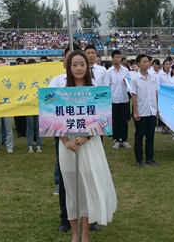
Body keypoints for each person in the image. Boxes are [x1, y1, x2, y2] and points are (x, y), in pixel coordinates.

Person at [58, 49, 117, 241]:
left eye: (82, 64)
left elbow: (103, 119)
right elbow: (52, 121)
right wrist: (66, 141)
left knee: (88, 189)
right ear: (68, 66)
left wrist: (88, 136)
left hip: (89, 145)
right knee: (71, 190)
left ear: (88, 66)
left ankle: (85, 234)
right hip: (68, 147)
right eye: (74, 64)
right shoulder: (61, 92)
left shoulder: (96, 91)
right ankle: (74, 234)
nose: (78, 68)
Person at [129, 54, 159, 166]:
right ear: (138, 64)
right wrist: (136, 111)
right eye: (144, 62)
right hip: (141, 112)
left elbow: (156, 93)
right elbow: (134, 96)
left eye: (147, 61)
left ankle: (149, 158)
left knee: (150, 136)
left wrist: (157, 108)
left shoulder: (153, 77)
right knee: (139, 136)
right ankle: (139, 159)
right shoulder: (135, 79)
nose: (146, 64)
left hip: (152, 111)